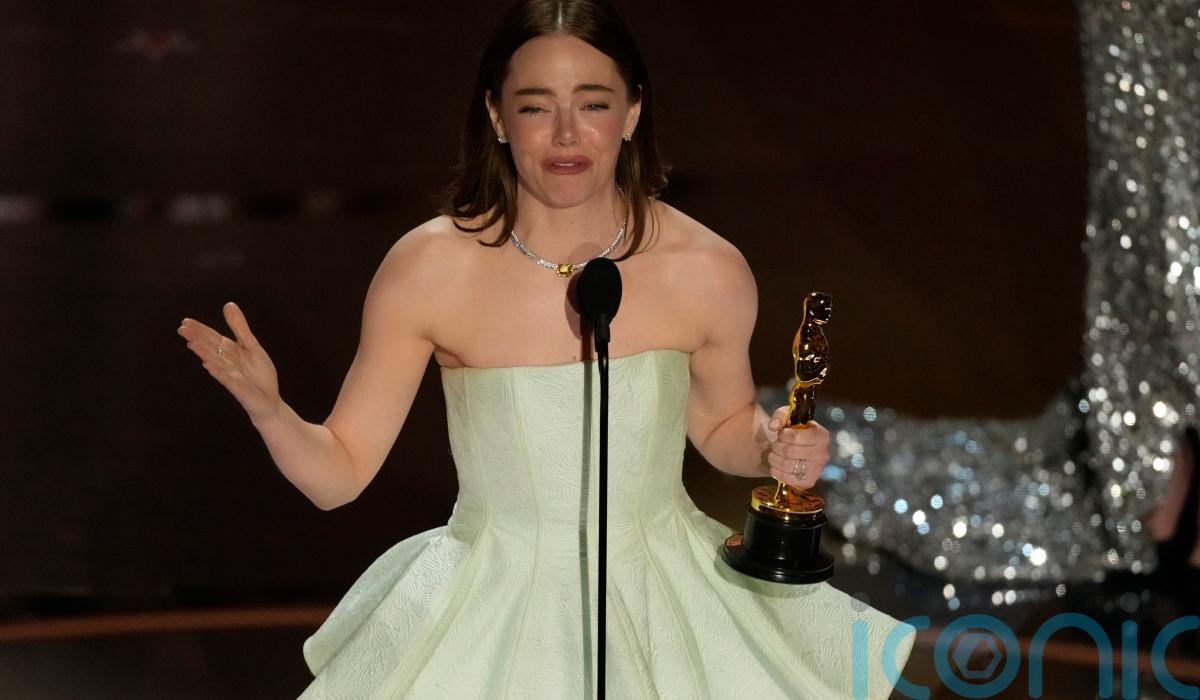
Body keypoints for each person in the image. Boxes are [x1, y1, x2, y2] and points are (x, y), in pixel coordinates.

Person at [178, 1, 912, 696]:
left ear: (632, 112)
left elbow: (723, 429)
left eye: (593, 104)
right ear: (497, 117)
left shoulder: (705, 268)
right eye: (535, 107)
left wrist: (775, 446)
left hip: (663, 600)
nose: (566, 135)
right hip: (486, 610)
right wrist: (270, 411)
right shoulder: (429, 269)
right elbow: (338, 474)